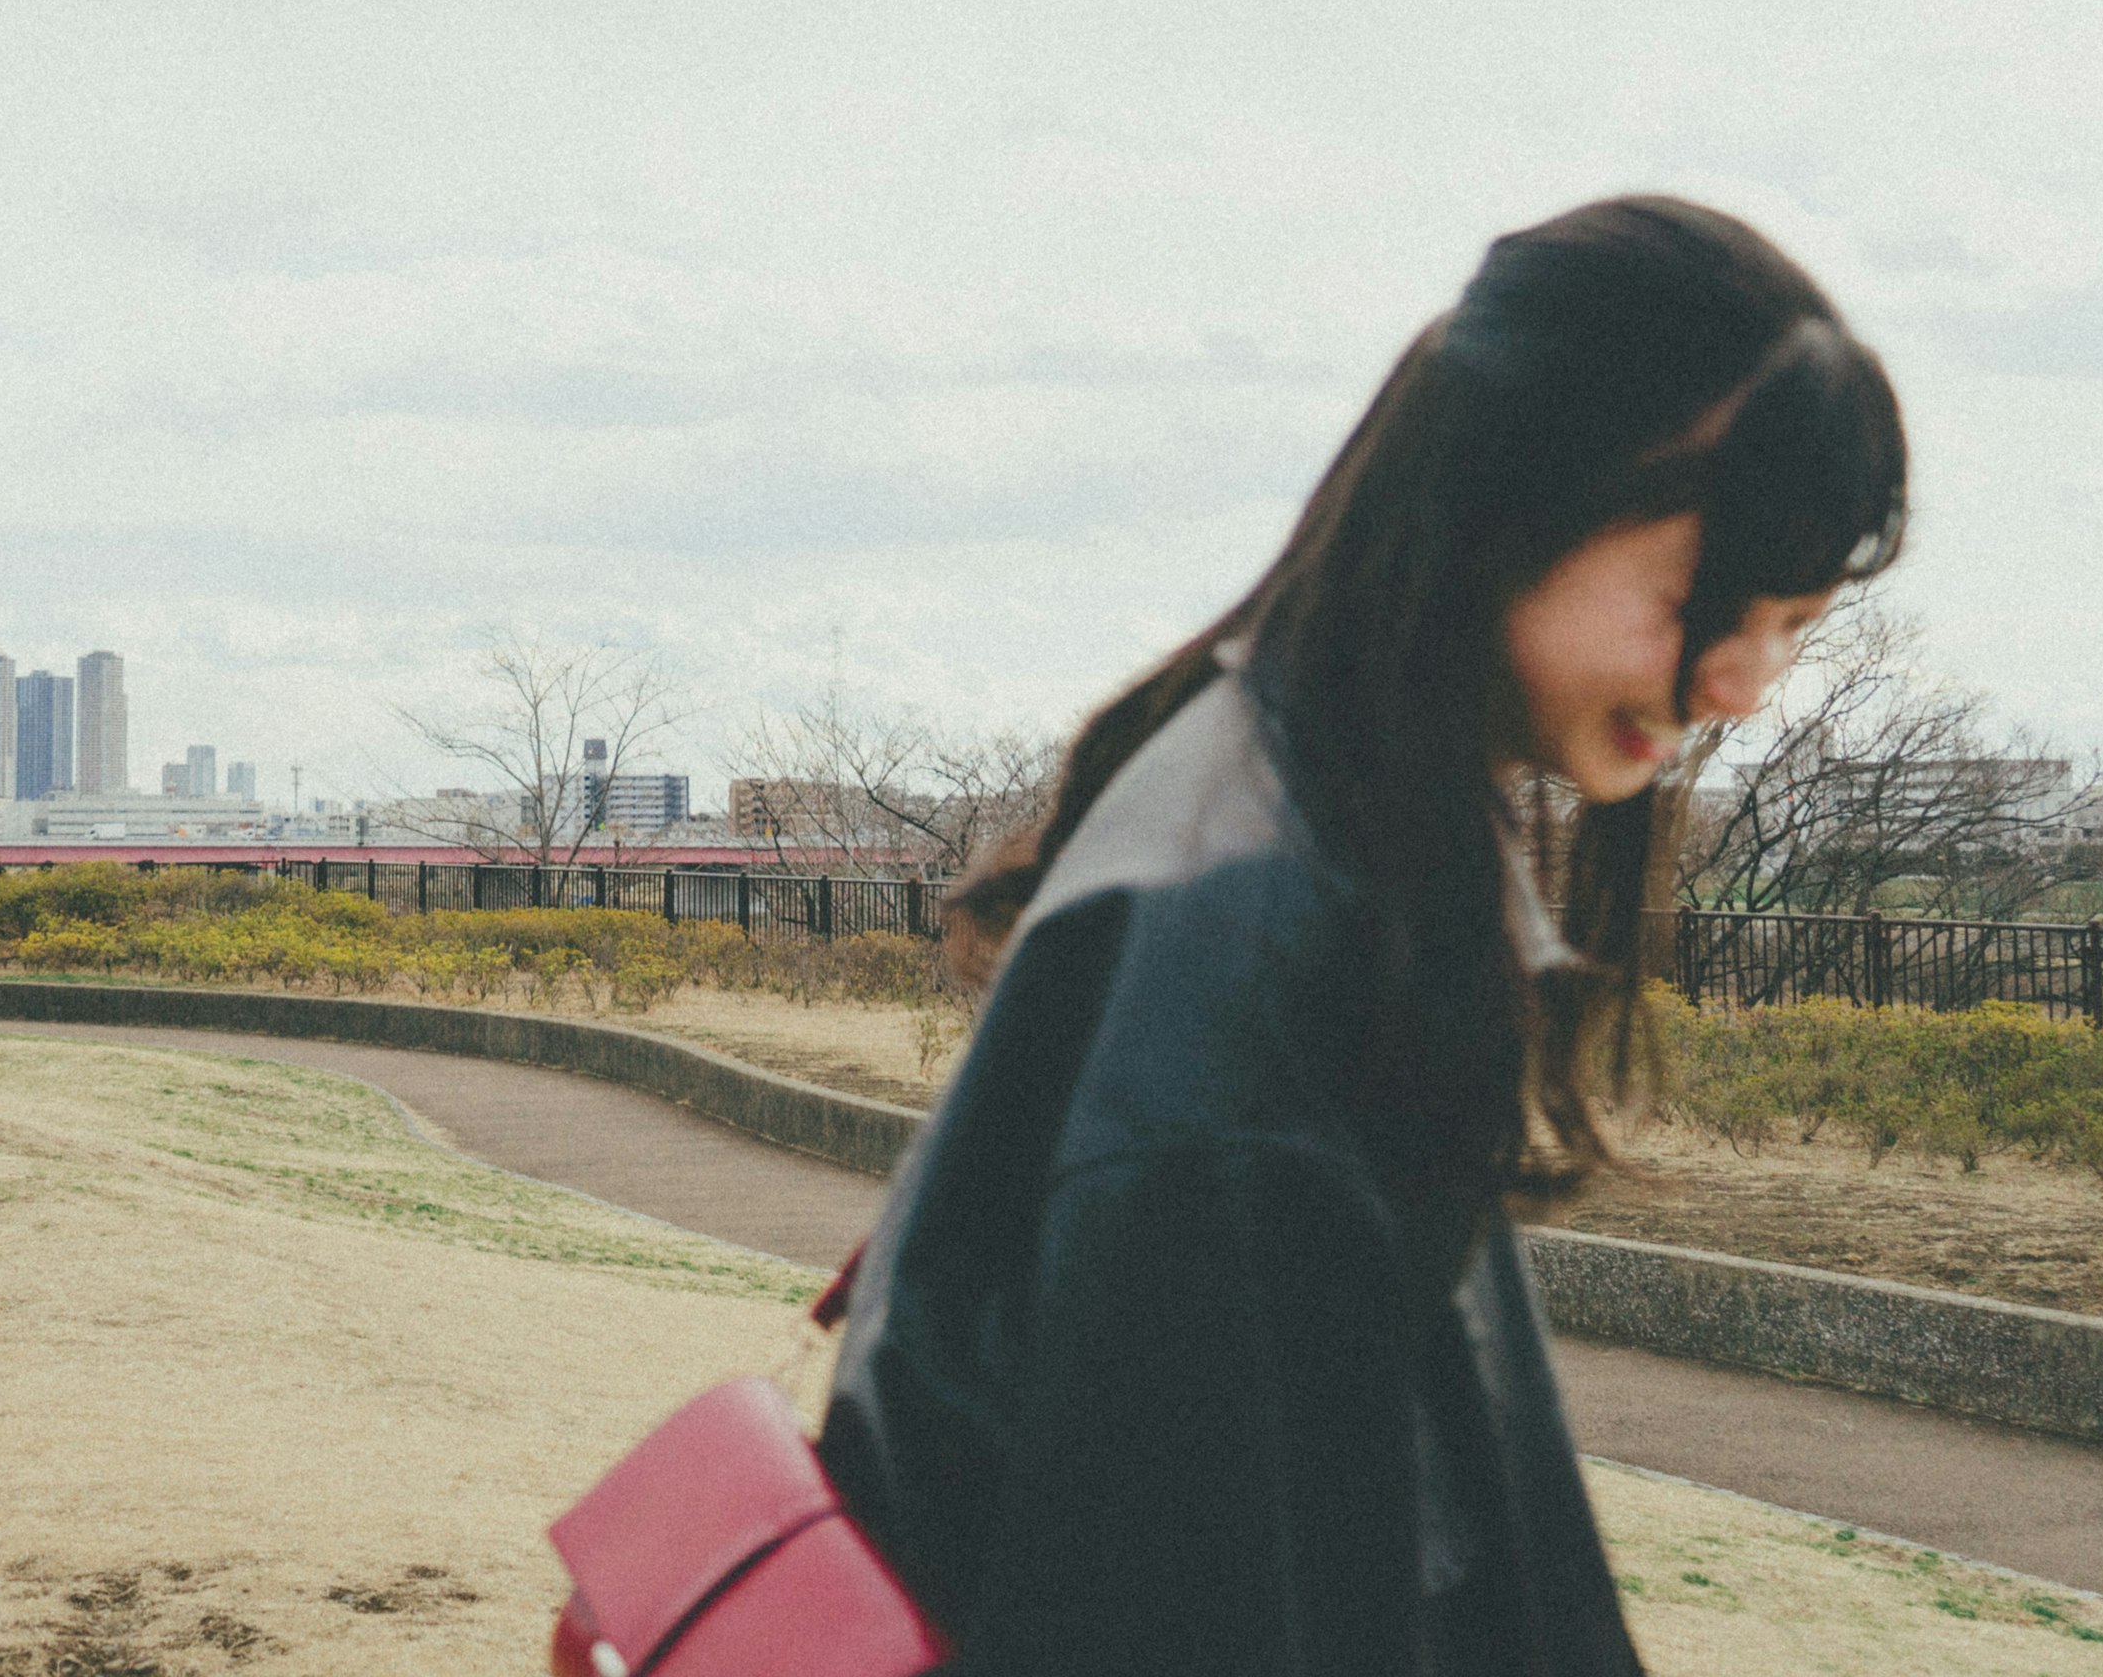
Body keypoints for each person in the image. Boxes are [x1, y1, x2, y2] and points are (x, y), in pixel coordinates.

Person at [816, 196, 1907, 1676]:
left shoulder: (1282, 816)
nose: (1743, 684)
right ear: (1509, 500)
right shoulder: (1274, 951)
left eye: (1796, 626)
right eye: (1702, 601)